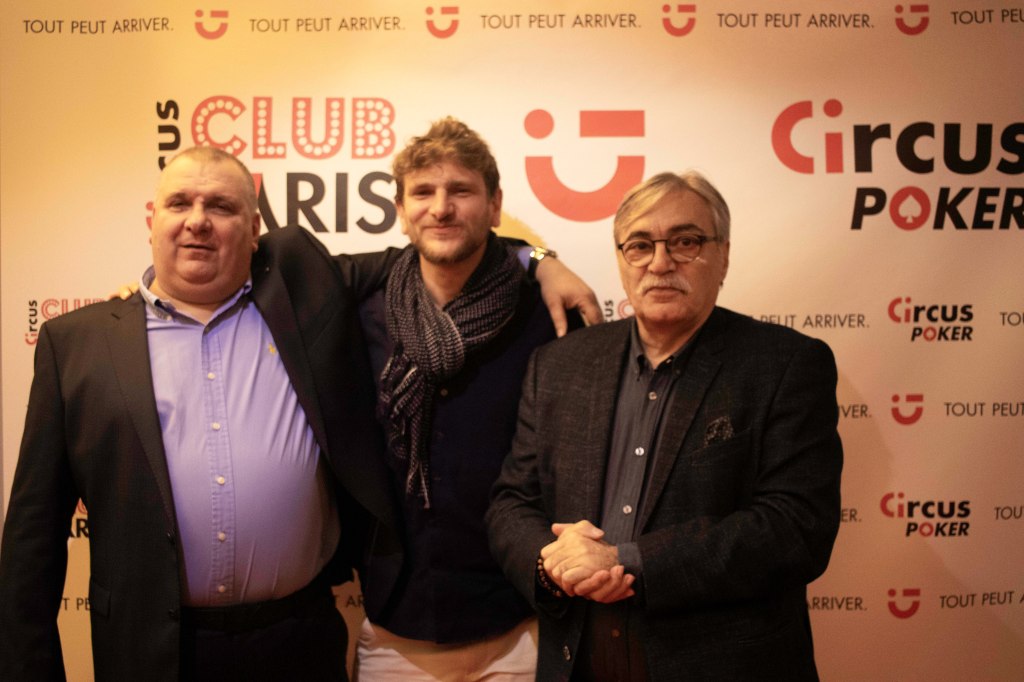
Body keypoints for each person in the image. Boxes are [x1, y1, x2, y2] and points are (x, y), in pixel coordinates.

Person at [0, 145, 596, 682]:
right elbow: (33, 537)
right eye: (179, 202)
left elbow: (435, 251)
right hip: (150, 648)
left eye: (222, 206)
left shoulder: (302, 297)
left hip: (298, 641)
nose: (198, 220)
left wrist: (537, 258)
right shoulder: (79, 344)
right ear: (151, 218)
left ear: (255, 228)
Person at [487, 170, 844, 680]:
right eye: (639, 245)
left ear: (723, 256)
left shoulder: (785, 364)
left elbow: (796, 526)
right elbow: (511, 503)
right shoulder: (559, 365)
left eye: (685, 241)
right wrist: (550, 562)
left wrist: (629, 561)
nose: (660, 262)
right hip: (579, 664)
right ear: (621, 260)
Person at [353, 118, 584, 680]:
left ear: (495, 204)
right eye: (423, 193)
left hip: (520, 621)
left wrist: (540, 259)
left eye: (461, 190)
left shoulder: (550, 314)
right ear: (401, 211)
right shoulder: (361, 311)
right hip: (396, 629)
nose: (441, 208)